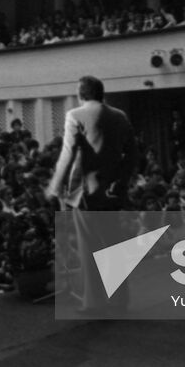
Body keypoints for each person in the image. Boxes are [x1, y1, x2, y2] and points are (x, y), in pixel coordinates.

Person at [46, 75, 136, 315]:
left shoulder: (75, 115)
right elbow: (133, 154)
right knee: (112, 244)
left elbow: (68, 153)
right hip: (111, 190)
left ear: (82, 94)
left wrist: (55, 186)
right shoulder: (120, 116)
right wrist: (122, 183)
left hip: (86, 191)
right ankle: (119, 299)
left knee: (89, 247)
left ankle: (94, 302)